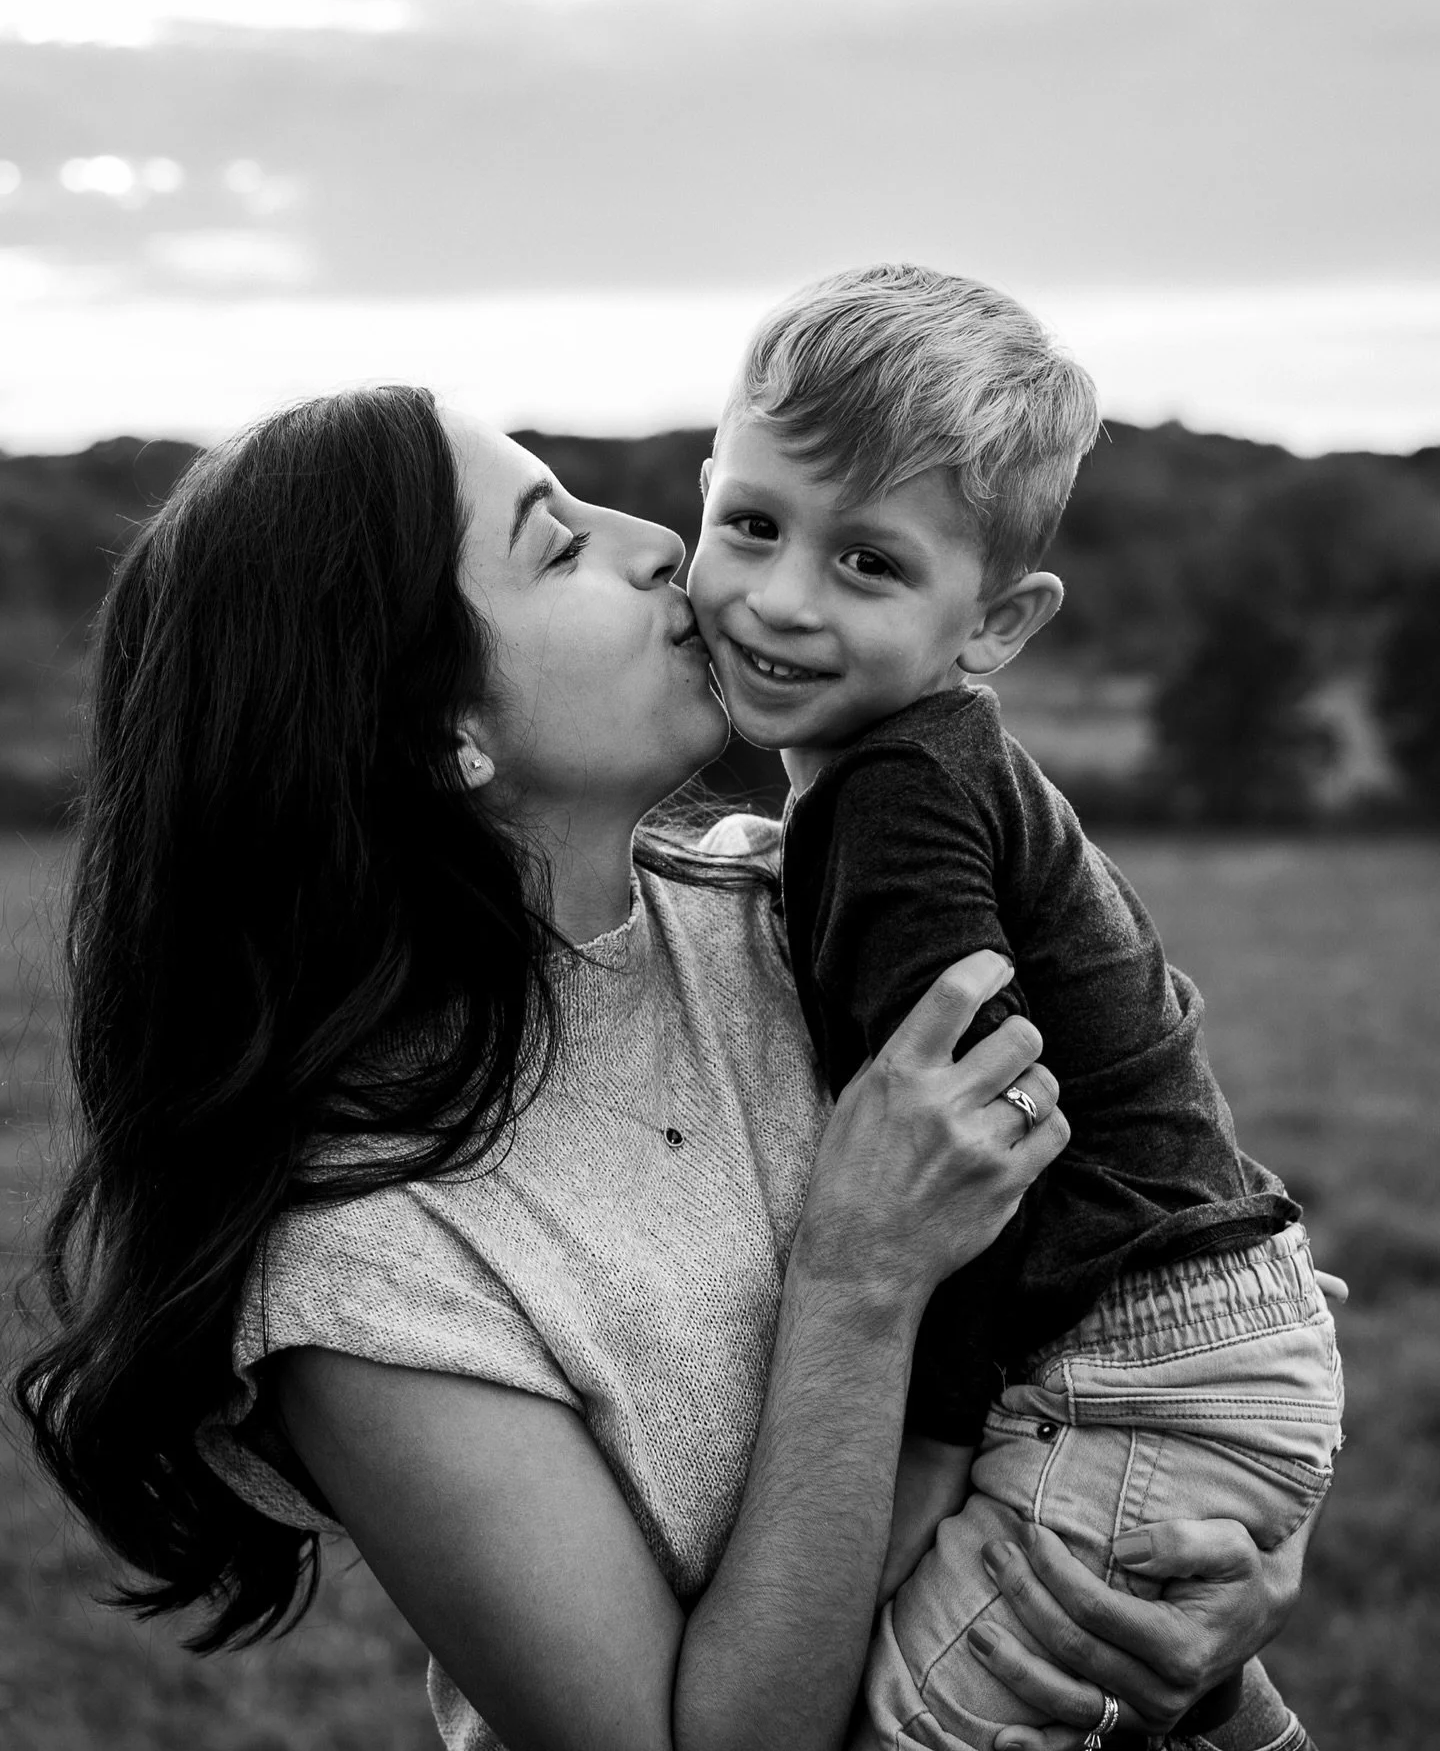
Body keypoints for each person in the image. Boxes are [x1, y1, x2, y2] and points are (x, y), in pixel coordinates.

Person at [16, 385, 1319, 1751]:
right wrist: (858, 1281)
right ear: (431, 729)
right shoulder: (365, 1268)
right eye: (556, 545)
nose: (655, 541)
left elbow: (1151, 1220)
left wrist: (1223, 1542)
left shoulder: (803, 910)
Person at [686, 266, 1343, 1751]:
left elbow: (969, 1159)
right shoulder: (902, 783)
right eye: (754, 525)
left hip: (1133, 1365)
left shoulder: (899, 797)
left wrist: (918, 1469)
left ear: (996, 624)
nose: (781, 598)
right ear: (706, 492)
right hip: (1193, 1326)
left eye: (870, 564)